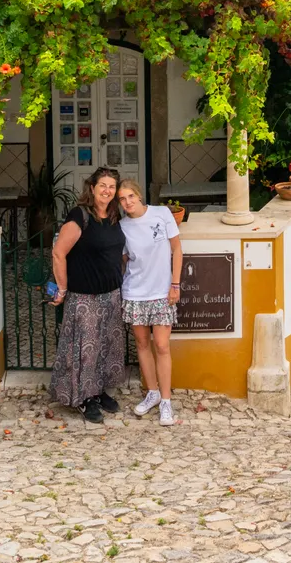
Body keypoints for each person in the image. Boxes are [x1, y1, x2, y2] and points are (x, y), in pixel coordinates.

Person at [49, 166, 126, 424]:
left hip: (111, 294)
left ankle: (97, 390)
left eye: (112, 187)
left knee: (105, 346)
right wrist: (62, 288)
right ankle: (83, 398)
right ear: (92, 188)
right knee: (85, 349)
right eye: (102, 185)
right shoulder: (79, 215)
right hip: (85, 297)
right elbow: (59, 253)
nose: (107, 190)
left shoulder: (114, 216)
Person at [117, 180, 182, 427]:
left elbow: (177, 249)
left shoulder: (161, 214)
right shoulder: (122, 226)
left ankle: (166, 401)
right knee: (142, 344)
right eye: (122, 199)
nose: (127, 202)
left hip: (162, 292)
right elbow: (124, 260)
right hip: (135, 292)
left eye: (130, 196)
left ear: (139, 195)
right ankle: (152, 392)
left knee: (162, 345)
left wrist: (175, 284)